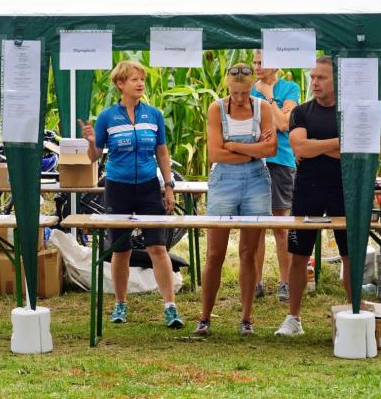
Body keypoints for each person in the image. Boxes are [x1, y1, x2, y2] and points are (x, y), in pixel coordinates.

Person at [79, 60, 184, 329]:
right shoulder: (107, 117)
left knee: (157, 248)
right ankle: (120, 304)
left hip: (149, 187)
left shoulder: (154, 115)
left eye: (142, 79)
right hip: (118, 189)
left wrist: (169, 186)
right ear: (120, 84)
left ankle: (170, 307)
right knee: (120, 249)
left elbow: (162, 153)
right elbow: (94, 157)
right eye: (134, 79)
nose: (140, 84)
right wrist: (91, 143)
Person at [194, 63, 276, 337]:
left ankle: (247, 317)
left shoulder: (263, 108)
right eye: (235, 92)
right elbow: (215, 154)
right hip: (224, 182)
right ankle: (205, 317)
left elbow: (271, 149)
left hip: (256, 181)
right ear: (227, 87)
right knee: (214, 253)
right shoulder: (216, 108)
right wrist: (253, 150)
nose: (240, 98)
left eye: (245, 92)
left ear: (252, 87)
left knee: (248, 253)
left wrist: (235, 146)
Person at [274, 56, 353, 337]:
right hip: (307, 190)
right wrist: (338, 144)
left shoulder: (348, 113)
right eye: (313, 77)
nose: (315, 82)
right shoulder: (301, 112)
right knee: (298, 255)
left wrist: (315, 146)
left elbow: (355, 151)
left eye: (322, 77)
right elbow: (299, 148)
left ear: (336, 81)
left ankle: (354, 313)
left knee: (349, 255)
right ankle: (293, 318)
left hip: (343, 190)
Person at [251, 49, 300, 302]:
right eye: (255, 62)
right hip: (254, 162)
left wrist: (269, 96)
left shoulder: (289, 88)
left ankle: (285, 282)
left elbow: (284, 124)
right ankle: (256, 282)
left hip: (281, 162)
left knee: (280, 226)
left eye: (262, 62)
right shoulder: (249, 89)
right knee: (257, 226)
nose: (257, 67)